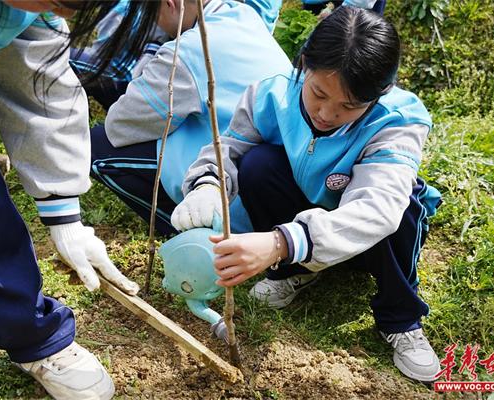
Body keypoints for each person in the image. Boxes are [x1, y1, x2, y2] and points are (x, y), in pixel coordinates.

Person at [171, 6, 443, 383]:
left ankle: (401, 317)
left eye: (350, 106)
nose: (327, 114)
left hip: (369, 239)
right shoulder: (273, 95)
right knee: (259, 163)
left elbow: (377, 210)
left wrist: (281, 243)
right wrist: (208, 184)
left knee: (404, 207)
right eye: (318, 93)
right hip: (306, 220)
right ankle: (296, 273)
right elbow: (230, 147)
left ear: (379, 95)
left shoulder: (397, 121)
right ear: (304, 65)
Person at [0, 1, 159, 398]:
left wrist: (65, 213)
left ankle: (36, 335)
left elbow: (40, 84)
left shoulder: (35, 10)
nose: (63, 10)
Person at [86, 0, 292, 236]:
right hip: (278, 184)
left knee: (96, 145)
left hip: (231, 193)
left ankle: (197, 231)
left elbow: (120, 125)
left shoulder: (189, 52)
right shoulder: (244, 15)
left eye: (150, 13)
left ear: (170, 3)